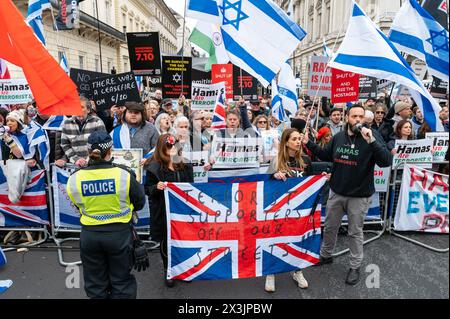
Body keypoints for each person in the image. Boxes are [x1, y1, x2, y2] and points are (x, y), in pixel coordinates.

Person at [303, 105, 392, 285]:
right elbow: (324, 154)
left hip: (359, 195)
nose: (357, 120)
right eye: (354, 116)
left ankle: (354, 265)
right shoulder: (339, 137)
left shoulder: (372, 136)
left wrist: (372, 142)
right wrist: (309, 143)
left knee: (355, 232)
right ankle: (326, 255)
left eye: (361, 116)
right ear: (347, 118)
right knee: (329, 227)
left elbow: (385, 162)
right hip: (337, 191)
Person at [67, 131, 146, 299]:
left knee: (95, 285)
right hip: (120, 235)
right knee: (122, 282)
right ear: (110, 150)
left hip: (90, 235)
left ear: (88, 151)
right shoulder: (124, 174)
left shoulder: (74, 178)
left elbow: (77, 205)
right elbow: (139, 203)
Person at [265, 128, 313, 292]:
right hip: (279, 210)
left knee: (298, 240)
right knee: (275, 240)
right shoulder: (275, 161)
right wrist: (274, 176)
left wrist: (322, 178)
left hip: (299, 210)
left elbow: (311, 183)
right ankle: (270, 273)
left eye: (299, 138)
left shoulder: (306, 159)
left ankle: (297, 271)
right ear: (286, 142)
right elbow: (265, 186)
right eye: (294, 139)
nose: (298, 142)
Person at [145, 134, 194, 287]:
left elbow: (191, 187)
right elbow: (147, 189)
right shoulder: (153, 167)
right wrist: (155, 187)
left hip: (182, 211)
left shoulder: (186, 164)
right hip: (163, 211)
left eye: (174, 146)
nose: (171, 149)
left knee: (183, 241)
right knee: (167, 241)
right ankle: (169, 271)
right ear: (161, 148)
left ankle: (184, 269)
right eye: (168, 146)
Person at [60, 96, 106, 167]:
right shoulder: (67, 123)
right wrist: (76, 159)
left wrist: (89, 160)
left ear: (88, 110)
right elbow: (65, 144)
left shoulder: (97, 122)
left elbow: (102, 143)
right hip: (74, 165)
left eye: (81, 107)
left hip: (94, 164)